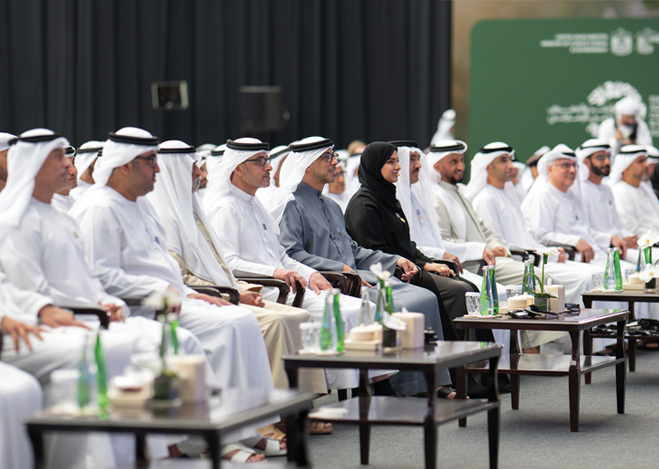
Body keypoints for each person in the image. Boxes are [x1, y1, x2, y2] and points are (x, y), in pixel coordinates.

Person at [276, 137, 452, 397]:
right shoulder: (291, 205)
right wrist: (340, 267)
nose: (335, 162)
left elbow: (354, 250)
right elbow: (291, 254)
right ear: (307, 164)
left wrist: (396, 260)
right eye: (327, 157)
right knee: (401, 305)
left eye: (334, 156)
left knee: (425, 297)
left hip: (361, 277)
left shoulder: (331, 205)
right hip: (332, 283)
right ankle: (399, 386)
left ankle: (431, 382)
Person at [146, 139, 326, 394]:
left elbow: (220, 266)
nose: (200, 173)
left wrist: (238, 289)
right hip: (212, 295)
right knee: (273, 323)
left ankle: (302, 401)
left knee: (299, 317)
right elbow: (183, 277)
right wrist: (233, 294)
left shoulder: (195, 211)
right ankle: (272, 404)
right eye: (192, 167)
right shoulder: (175, 215)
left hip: (234, 288)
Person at [205, 137, 367, 392]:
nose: (269, 167)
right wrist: (276, 272)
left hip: (285, 282)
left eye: (267, 160)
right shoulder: (225, 208)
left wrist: (311, 274)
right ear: (238, 168)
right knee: (341, 312)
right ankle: (341, 391)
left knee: (359, 308)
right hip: (261, 288)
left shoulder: (256, 204)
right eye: (260, 162)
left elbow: (281, 255)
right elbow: (229, 263)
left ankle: (361, 389)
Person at [344, 142, 479, 340]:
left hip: (411, 267)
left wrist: (428, 263)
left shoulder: (388, 198)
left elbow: (407, 244)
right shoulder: (364, 204)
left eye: (398, 161)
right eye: (391, 162)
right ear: (375, 165)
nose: (398, 167)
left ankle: (479, 354)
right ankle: (457, 353)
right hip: (396, 273)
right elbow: (376, 252)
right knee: (459, 291)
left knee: (469, 288)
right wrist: (420, 266)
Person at [467, 142, 598, 303]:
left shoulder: (508, 195)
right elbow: (502, 246)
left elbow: (525, 238)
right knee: (583, 278)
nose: (510, 166)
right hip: (520, 262)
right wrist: (544, 254)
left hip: (532, 258)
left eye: (510, 160)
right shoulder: (485, 199)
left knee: (593, 274)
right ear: (488, 167)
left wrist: (550, 252)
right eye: (503, 161)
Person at [430, 141, 526, 286]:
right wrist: (480, 250)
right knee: (537, 277)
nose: (461, 167)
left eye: (462, 161)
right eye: (454, 162)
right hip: (471, 265)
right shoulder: (436, 197)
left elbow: (485, 230)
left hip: (488, 259)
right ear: (437, 166)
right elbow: (442, 242)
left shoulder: (460, 193)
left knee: (538, 276)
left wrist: (496, 246)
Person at [521, 144, 628, 266]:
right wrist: (575, 241)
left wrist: (609, 238)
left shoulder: (573, 195)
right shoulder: (542, 195)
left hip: (593, 254)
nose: (572, 170)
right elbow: (541, 235)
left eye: (574, 165)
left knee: (627, 270)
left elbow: (585, 230)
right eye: (565, 165)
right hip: (567, 257)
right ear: (550, 169)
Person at [577, 139, 638, 253]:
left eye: (608, 157)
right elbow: (582, 230)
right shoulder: (580, 191)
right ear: (586, 162)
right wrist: (610, 239)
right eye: (600, 158)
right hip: (598, 250)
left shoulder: (606, 189)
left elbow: (617, 225)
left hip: (618, 247)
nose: (607, 162)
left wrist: (629, 238)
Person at [610, 145, 659, 236]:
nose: (646, 165)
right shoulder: (620, 192)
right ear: (626, 167)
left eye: (646, 160)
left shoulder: (645, 188)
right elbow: (630, 228)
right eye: (640, 161)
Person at [51, 146, 78, 212]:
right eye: (65, 167)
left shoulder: (78, 202)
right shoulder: (48, 208)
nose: (73, 172)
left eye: (73, 164)